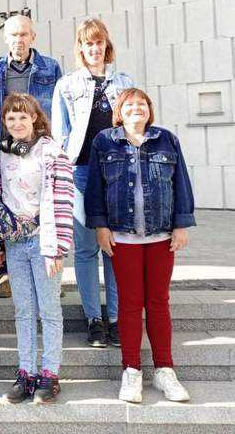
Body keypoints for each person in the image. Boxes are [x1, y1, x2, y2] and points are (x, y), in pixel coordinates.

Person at [85, 88, 195, 403]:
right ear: (119, 111)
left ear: (149, 109)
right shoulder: (104, 141)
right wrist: (100, 226)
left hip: (161, 237)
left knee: (159, 302)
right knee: (130, 304)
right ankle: (131, 370)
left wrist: (181, 224)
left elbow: (181, 183)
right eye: (129, 104)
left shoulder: (166, 140)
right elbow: (95, 187)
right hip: (123, 237)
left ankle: (164, 371)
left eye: (142, 103)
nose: (137, 108)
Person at [51, 18, 133, 348]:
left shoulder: (124, 82)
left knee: (114, 248)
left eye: (99, 42)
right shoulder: (66, 85)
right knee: (86, 250)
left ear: (106, 45)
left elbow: (133, 126)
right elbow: (60, 135)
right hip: (81, 173)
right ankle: (93, 319)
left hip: (116, 175)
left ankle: (115, 318)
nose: (95, 48)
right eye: (89, 43)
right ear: (81, 49)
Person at [0, 93, 73, 404]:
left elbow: (63, 201)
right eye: (11, 118)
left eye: (23, 117)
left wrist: (56, 247)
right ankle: (26, 372)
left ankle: (50, 374)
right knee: (23, 310)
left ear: (35, 118)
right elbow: (0, 198)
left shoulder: (51, 152)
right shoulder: (3, 153)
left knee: (49, 310)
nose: (17, 123)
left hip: (43, 241)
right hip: (15, 242)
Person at [0, 14, 62, 298]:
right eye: (13, 35)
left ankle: (48, 272)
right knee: (6, 208)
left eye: (23, 34)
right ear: (5, 38)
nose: (18, 40)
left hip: (39, 151)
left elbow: (58, 110)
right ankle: (7, 273)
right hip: (5, 152)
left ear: (32, 37)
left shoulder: (50, 67)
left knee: (43, 208)